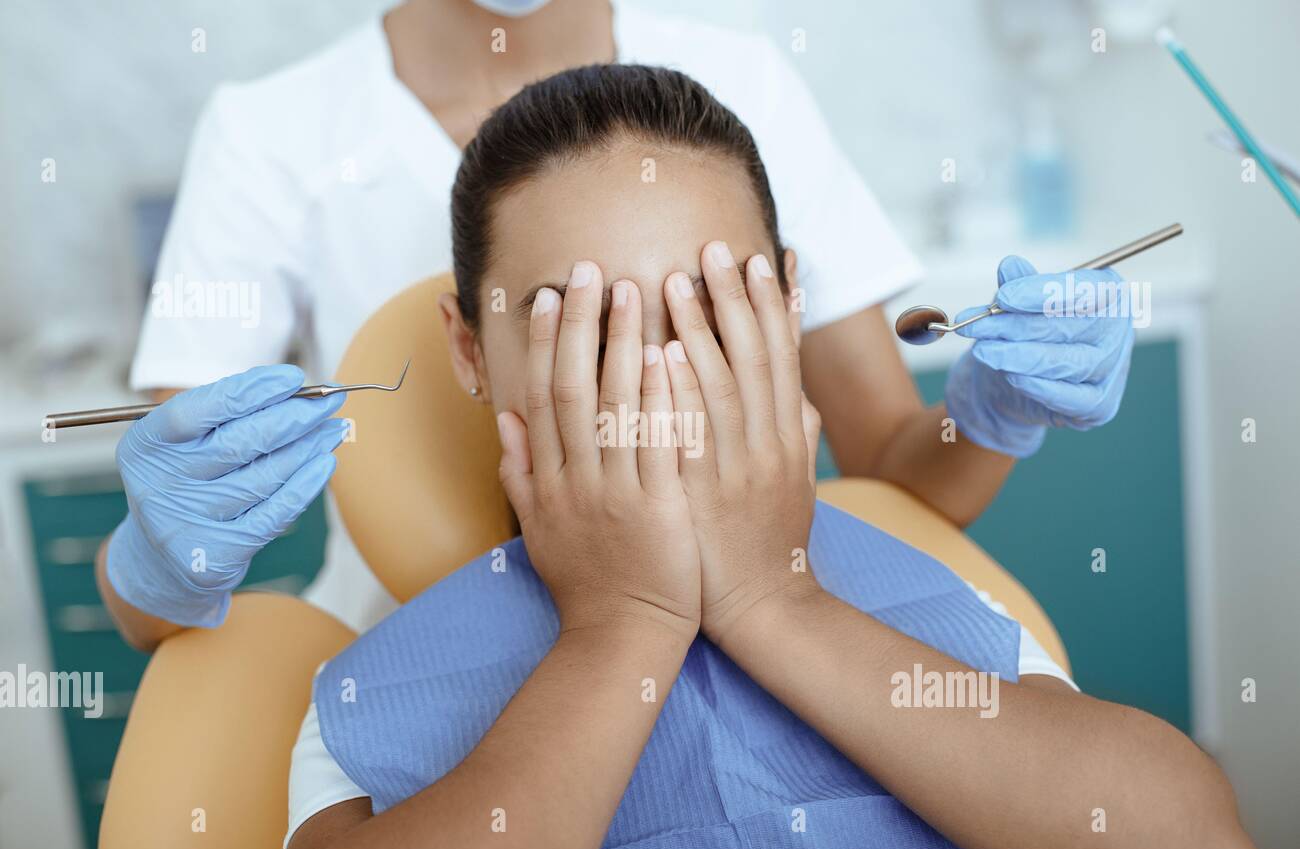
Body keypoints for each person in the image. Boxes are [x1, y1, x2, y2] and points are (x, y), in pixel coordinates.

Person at [279, 65, 1256, 849]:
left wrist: (769, 602)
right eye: (576, 323)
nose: (654, 375)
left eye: (705, 310)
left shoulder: (929, 600)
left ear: (786, 303)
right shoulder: (366, 704)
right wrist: (623, 626)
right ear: (469, 351)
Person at [98, 0, 1138, 648]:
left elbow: (898, 471)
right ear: (465, 342)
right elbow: (164, 594)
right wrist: (157, 556)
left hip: (759, 616)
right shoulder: (271, 132)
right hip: (421, 644)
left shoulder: (739, 86)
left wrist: (992, 412)